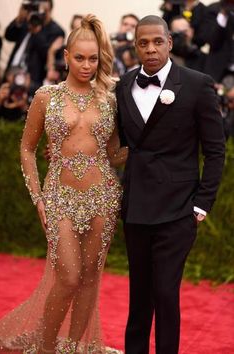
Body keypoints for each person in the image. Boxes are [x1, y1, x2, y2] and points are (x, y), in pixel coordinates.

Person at [0, 14, 127, 354]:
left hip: (103, 195)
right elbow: (27, 148)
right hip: (58, 197)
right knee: (69, 276)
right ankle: (44, 347)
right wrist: (38, 198)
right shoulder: (46, 96)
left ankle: (74, 348)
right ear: (66, 56)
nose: (87, 65)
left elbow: (113, 153)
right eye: (80, 58)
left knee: (89, 278)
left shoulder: (110, 98)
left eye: (93, 59)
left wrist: (152, 144)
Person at [116, 15, 225, 354]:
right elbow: (117, 144)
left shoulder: (196, 84)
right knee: (139, 296)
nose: (151, 49)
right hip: (137, 209)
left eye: (157, 42)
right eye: (143, 43)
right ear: (135, 46)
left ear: (169, 42)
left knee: (165, 293)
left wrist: (201, 204)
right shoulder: (123, 84)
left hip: (178, 209)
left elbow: (215, 150)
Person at [4, 0, 65, 95]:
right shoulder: (27, 20)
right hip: (10, 73)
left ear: (50, 11)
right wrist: (19, 18)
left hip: (31, 82)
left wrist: (37, 32)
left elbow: (48, 55)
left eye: (45, 10)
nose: (41, 13)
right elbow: (8, 36)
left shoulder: (56, 31)